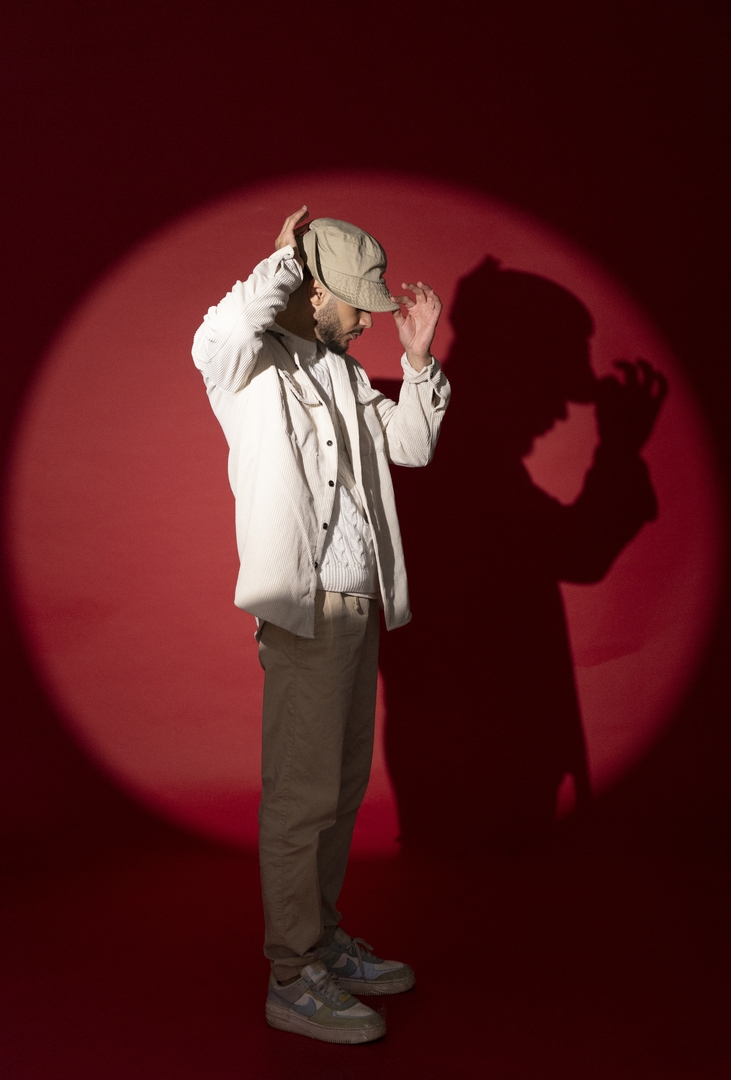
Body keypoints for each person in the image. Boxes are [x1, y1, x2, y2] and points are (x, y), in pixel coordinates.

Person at [191, 207, 450, 1044]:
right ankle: (291, 975)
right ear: (312, 290)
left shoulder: (341, 371)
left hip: (359, 607)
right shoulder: (243, 361)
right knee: (299, 800)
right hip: (304, 616)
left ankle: (324, 944)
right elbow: (226, 329)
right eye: (355, 302)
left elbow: (410, 448)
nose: (369, 318)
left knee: (338, 792)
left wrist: (417, 363)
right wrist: (277, 266)